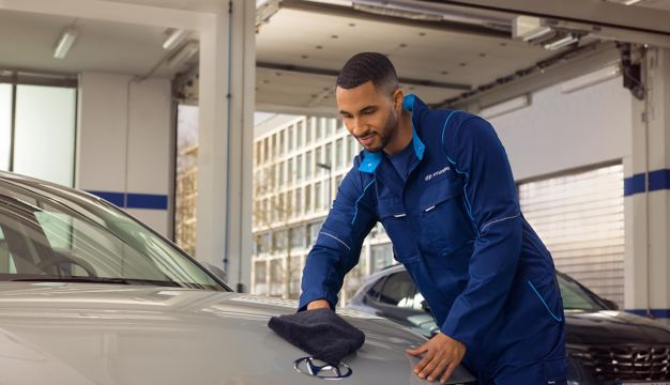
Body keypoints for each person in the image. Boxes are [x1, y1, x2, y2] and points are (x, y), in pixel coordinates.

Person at [299, 52, 566, 384]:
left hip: (522, 326)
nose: (358, 128)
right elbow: (331, 247)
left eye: (368, 112)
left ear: (396, 100)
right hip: (455, 330)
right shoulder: (366, 176)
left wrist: (459, 331)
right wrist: (317, 308)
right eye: (347, 116)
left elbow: (499, 233)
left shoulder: (462, 136)